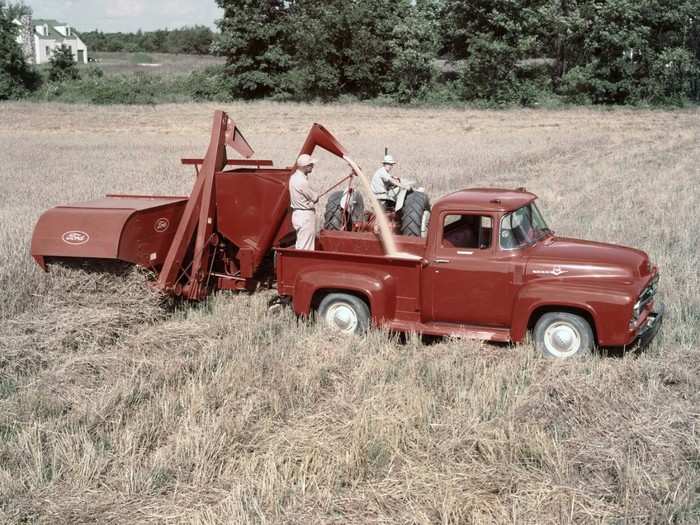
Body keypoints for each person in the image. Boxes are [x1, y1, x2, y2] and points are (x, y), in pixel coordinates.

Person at [289, 154, 320, 250]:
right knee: (306, 246)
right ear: (305, 167)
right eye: (311, 165)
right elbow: (314, 198)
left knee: (301, 243)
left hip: (297, 214)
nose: (312, 166)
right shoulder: (302, 181)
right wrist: (317, 196)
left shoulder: (293, 177)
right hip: (305, 216)